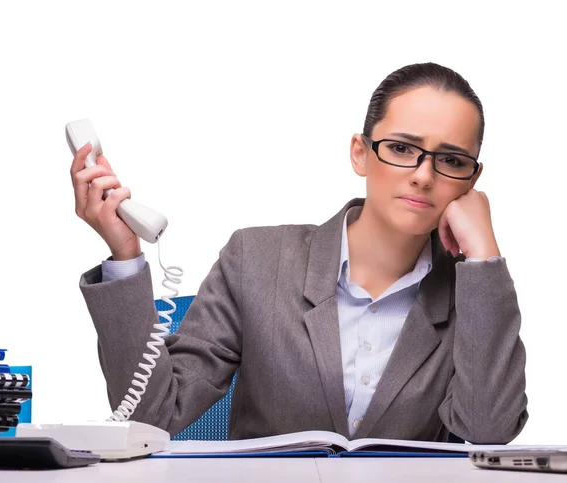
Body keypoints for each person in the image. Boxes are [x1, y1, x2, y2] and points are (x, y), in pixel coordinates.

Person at [71, 62, 528, 444]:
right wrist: (125, 253)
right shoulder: (256, 259)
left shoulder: (473, 293)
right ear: (360, 153)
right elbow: (153, 417)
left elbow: (489, 429)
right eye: (402, 148)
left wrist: (485, 257)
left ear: (472, 179)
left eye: (451, 160)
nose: (423, 175)